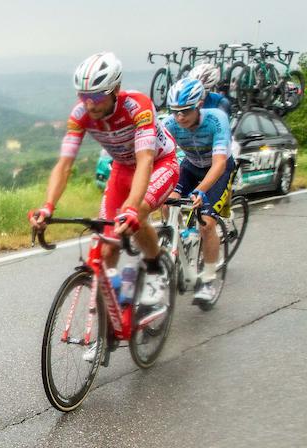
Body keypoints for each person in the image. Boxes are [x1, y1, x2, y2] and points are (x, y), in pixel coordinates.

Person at [30, 52, 179, 307]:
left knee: (137, 211)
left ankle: (155, 268)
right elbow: (65, 165)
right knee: (107, 244)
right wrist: (48, 206)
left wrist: (132, 207)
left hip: (158, 163)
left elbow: (144, 159)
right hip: (121, 168)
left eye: (97, 96)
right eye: (83, 96)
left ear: (115, 89)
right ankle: (111, 312)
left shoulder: (137, 106)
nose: (90, 104)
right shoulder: (80, 115)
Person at [162, 77, 234, 304]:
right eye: (175, 111)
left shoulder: (216, 120)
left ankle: (209, 279)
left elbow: (220, 163)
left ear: (199, 106)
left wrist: (201, 190)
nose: (180, 117)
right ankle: (178, 235)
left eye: (185, 111)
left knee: (207, 223)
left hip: (217, 169)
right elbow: (160, 155)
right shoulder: (170, 124)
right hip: (191, 166)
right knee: (167, 200)